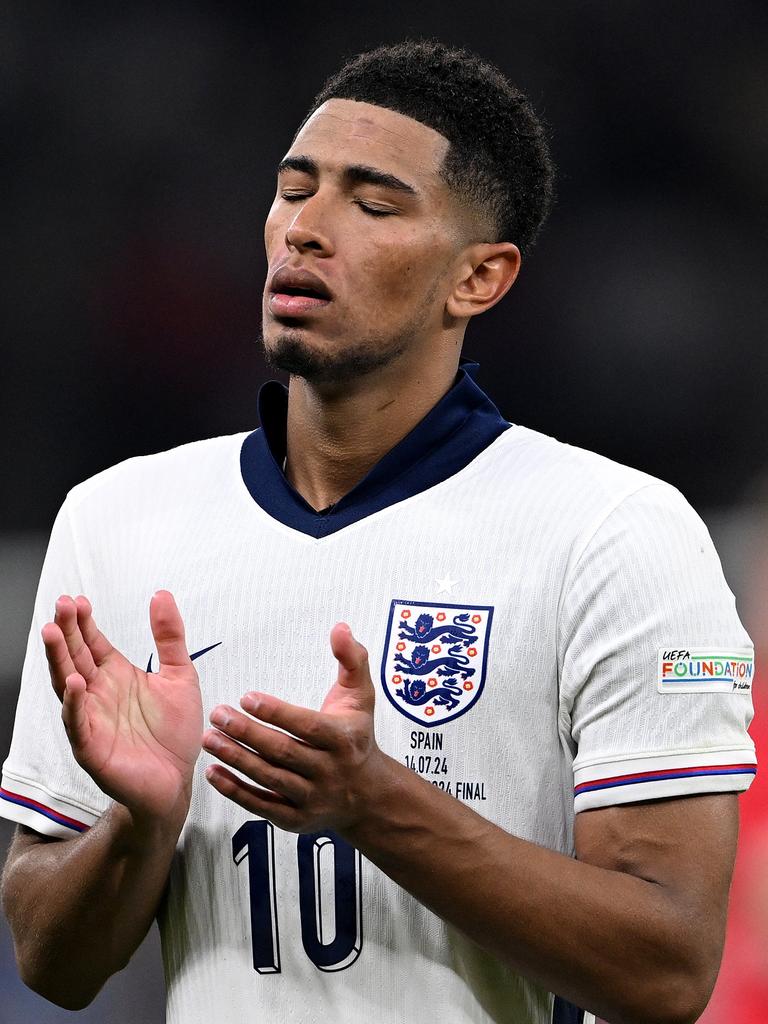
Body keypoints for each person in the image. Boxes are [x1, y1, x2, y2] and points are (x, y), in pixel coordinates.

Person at [0, 39, 756, 1024]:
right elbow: (51, 962)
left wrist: (375, 803)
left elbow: (668, 968)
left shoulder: (617, 532)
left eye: (372, 202)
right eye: (293, 188)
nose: (304, 229)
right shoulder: (117, 517)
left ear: (479, 278)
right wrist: (143, 823)